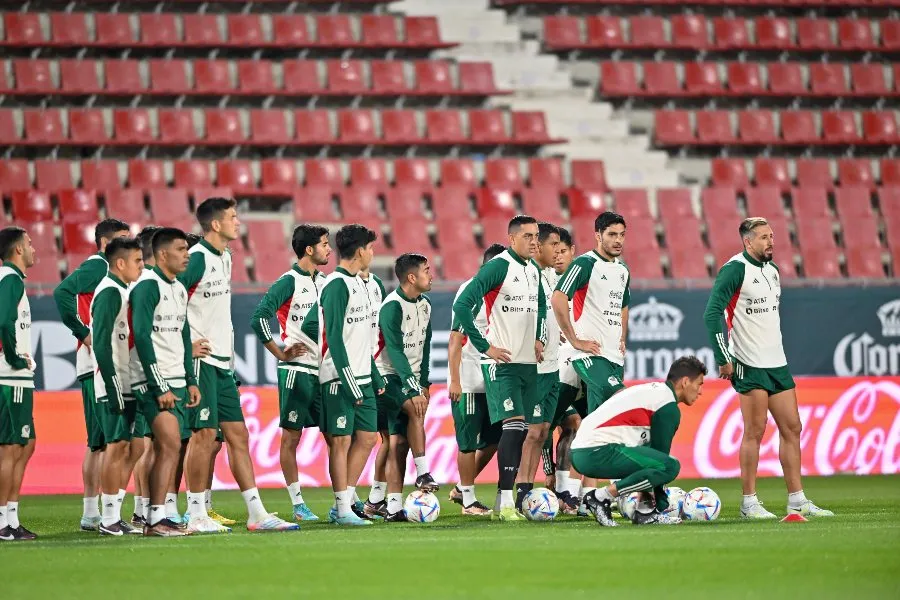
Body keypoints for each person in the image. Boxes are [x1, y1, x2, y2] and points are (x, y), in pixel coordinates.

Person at [179, 198, 297, 532]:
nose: (238, 222)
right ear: (215, 224)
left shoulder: (225, 257)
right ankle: (196, 514)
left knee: (238, 435)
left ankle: (256, 514)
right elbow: (170, 300)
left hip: (222, 364)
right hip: (201, 362)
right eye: (232, 217)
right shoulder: (197, 259)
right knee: (203, 436)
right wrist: (185, 345)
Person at [703, 217, 833, 519]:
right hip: (749, 363)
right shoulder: (734, 269)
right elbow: (712, 313)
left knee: (792, 427)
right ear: (748, 241)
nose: (770, 241)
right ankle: (749, 502)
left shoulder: (773, 270)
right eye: (763, 237)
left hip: (777, 363)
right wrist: (723, 357)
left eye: (771, 236)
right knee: (755, 431)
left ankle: (797, 500)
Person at [452, 215, 547, 522]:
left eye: (536, 236)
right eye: (528, 236)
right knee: (514, 427)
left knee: (522, 432)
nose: (534, 241)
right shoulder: (498, 266)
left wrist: (539, 338)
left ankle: (501, 501)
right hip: (500, 364)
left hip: (527, 363)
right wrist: (485, 346)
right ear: (512, 238)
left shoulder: (533, 270)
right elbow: (461, 306)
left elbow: (541, 306)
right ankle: (505, 502)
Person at [53, 218, 130, 531]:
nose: (130, 244)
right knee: (106, 441)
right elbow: (62, 292)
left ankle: (92, 513)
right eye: (123, 238)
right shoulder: (99, 266)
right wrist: (82, 332)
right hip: (95, 363)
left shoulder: (112, 271)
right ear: (106, 243)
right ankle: (99, 513)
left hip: (96, 363)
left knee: (98, 442)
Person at [250, 224, 330, 522]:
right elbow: (259, 317)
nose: (329, 249)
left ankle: (345, 500)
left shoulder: (327, 282)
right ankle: (298, 503)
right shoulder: (288, 281)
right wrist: (280, 352)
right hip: (297, 370)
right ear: (309, 249)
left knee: (337, 436)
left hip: (325, 370)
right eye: (324, 244)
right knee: (291, 438)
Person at [551, 211, 630, 508]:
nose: (618, 240)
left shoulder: (622, 270)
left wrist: (622, 336)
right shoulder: (584, 264)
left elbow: (623, 306)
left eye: (622, 235)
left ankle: (583, 497)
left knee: (595, 427)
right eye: (612, 234)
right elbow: (558, 297)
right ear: (598, 235)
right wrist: (574, 339)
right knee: (620, 401)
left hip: (612, 356)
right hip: (586, 355)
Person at [573, 356, 707, 527]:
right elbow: (660, 460)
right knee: (670, 466)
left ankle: (645, 512)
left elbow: (650, 460)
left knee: (653, 462)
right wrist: (661, 503)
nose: (701, 391)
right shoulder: (667, 406)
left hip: (583, 452)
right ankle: (601, 496)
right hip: (596, 451)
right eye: (699, 384)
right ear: (685, 382)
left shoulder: (655, 393)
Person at [130, 228, 199, 536]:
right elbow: (142, 336)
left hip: (177, 380)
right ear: (161, 254)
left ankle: (155, 516)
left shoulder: (179, 288)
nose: (187, 255)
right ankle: (153, 517)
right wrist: (159, 385)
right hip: (153, 382)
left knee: (170, 447)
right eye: (181, 249)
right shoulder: (148, 285)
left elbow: (183, 336)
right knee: (168, 445)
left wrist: (191, 379)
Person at [319, 224, 385, 526]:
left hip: (363, 376)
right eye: (370, 248)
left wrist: (374, 374)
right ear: (359, 251)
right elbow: (334, 336)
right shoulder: (336, 285)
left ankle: (343, 502)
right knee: (341, 442)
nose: (372, 253)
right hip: (338, 377)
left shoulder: (360, 284)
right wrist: (348, 380)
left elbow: (361, 339)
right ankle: (342, 508)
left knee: (368, 438)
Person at [373, 254, 436, 522]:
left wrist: (424, 382)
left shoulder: (425, 305)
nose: (431, 275)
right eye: (426, 271)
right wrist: (413, 388)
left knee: (398, 442)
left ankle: (392, 506)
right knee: (414, 409)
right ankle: (422, 472)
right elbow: (396, 352)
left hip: (410, 377)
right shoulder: (392, 307)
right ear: (412, 277)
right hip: (386, 375)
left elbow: (426, 346)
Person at [90, 237, 145, 535]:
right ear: (120, 263)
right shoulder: (109, 291)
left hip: (127, 382)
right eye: (137, 260)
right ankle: (108, 518)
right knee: (116, 446)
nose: (142, 266)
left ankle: (114, 512)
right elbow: (100, 344)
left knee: (135, 445)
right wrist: (112, 388)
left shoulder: (122, 291)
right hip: (112, 383)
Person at [446, 244, 506, 516]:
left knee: (495, 440)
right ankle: (469, 502)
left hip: (494, 380)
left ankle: (461, 489)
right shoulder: (471, 291)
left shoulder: (503, 293)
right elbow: (455, 338)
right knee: (468, 442)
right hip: (469, 380)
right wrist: (455, 381)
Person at [514, 222, 561, 511]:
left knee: (543, 431)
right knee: (531, 433)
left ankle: (528, 489)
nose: (558, 250)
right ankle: (521, 492)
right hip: (535, 369)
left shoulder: (553, 277)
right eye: (553, 244)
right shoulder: (529, 275)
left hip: (553, 367)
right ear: (539, 246)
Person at [541, 228, 583, 511]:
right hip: (552, 368)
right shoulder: (543, 278)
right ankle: (552, 479)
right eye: (553, 251)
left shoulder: (583, 279)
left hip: (581, 365)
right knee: (551, 423)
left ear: (573, 252)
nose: (557, 256)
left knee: (577, 425)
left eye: (563, 251)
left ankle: (570, 492)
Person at [0, 227, 37, 541]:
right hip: (9, 377)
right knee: (11, 448)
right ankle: (3, 521)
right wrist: (13, 357)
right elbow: (3, 321)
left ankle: (10, 517)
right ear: (18, 250)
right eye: (29, 243)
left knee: (26, 444)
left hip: (17, 379)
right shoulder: (10, 279)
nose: (34, 248)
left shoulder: (12, 280)